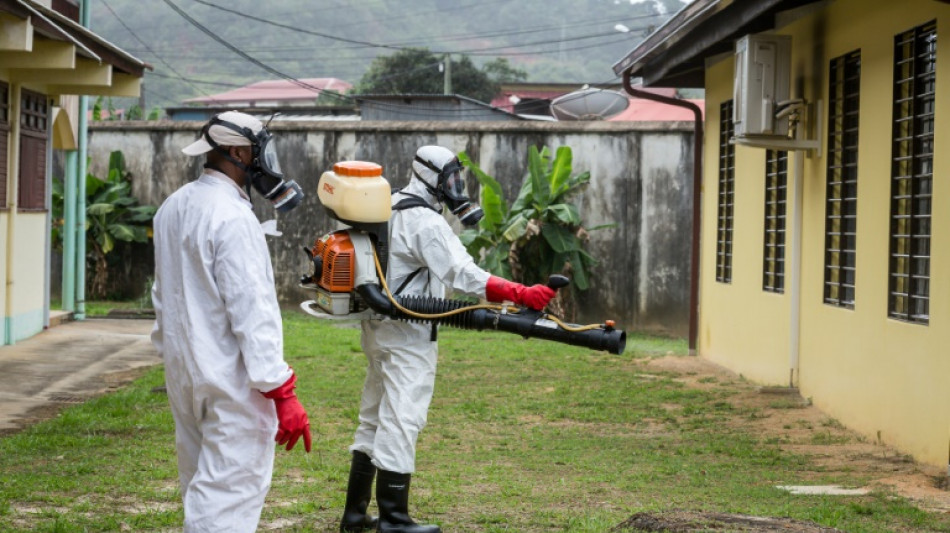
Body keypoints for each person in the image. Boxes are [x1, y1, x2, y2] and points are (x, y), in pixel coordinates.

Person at [339, 146, 556, 533]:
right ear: (427, 176)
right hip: (407, 333)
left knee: (373, 416)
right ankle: (394, 519)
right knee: (403, 417)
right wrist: (520, 292)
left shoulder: (387, 204)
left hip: (379, 327)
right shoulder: (424, 221)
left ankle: (355, 515)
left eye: (458, 180)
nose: (455, 188)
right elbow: (462, 274)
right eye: (449, 180)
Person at [151, 111, 311, 533]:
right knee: (228, 494)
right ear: (240, 152)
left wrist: (173, 356)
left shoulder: (174, 206)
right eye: (261, 151)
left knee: (201, 484)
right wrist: (281, 391)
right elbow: (251, 310)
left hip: (185, 371)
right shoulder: (234, 218)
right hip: (231, 379)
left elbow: (161, 294)